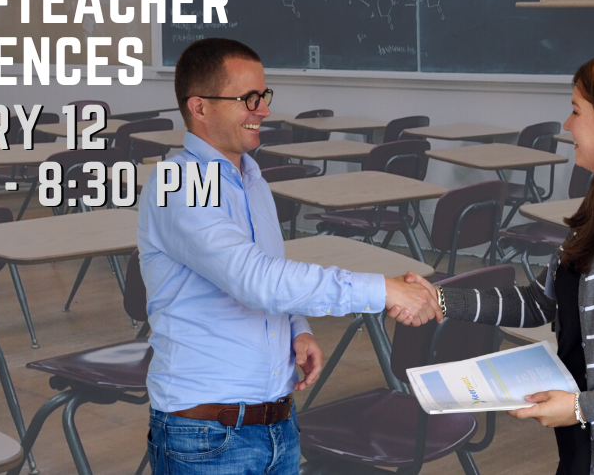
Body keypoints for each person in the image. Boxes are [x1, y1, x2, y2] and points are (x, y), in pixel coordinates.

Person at [138, 37, 440, 474]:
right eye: (248, 98)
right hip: (207, 433)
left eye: (264, 95)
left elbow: (271, 273)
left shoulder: (251, 178)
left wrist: (297, 328)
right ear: (199, 107)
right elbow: (256, 281)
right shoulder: (180, 184)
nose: (263, 109)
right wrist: (383, 289)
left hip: (277, 421)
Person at [406, 52, 594, 475]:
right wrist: (440, 300)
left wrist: (582, 407)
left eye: (576, 111)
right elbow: (541, 302)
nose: (566, 125)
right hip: (587, 449)